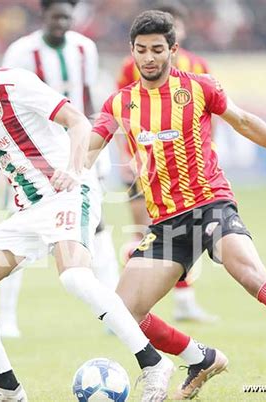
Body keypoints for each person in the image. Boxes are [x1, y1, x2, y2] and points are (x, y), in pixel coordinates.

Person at [87, 11, 266, 400]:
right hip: (167, 222)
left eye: (157, 49)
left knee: (250, 272)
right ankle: (199, 358)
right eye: (141, 50)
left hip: (210, 204)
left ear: (173, 50)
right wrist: (66, 176)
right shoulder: (121, 102)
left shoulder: (199, 87)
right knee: (123, 312)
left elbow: (245, 122)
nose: (148, 58)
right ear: (131, 51)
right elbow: (90, 145)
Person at [0, 26, 174, 402]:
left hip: (68, 193)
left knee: (75, 278)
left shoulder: (16, 84)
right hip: (27, 212)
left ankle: (154, 363)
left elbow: (79, 122)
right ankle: (7, 388)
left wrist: (73, 167)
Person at [0, 0, 119, 338]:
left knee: (96, 224)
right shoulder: (21, 52)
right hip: (32, 154)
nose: (62, 22)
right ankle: (6, 319)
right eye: (56, 16)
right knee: (19, 226)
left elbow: (89, 99)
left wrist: (99, 147)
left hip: (78, 147)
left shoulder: (85, 48)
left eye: (68, 16)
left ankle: (118, 310)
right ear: (43, 16)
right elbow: (6, 103)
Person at [116, 1, 216, 323]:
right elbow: (120, 113)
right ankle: (128, 303)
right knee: (143, 230)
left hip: (184, 171)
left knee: (179, 234)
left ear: (180, 32)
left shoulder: (198, 66)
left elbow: (211, 113)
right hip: (142, 164)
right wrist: (125, 155)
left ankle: (181, 301)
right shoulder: (131, 66)